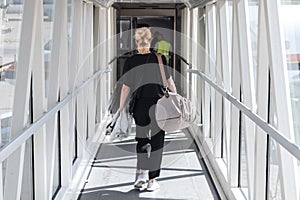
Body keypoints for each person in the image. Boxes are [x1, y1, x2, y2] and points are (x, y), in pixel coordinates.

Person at [119, 27, 177, 191]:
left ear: (136, 41)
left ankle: (141, 175)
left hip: (139, 106)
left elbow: (125, 88)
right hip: (159, 106)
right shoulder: (160, 58)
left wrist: (121, 107)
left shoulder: (130, 61)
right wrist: (177, 97)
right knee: (157, 141)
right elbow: (169, 82)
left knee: (142, 140)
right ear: (151, 41)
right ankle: (152, 180)